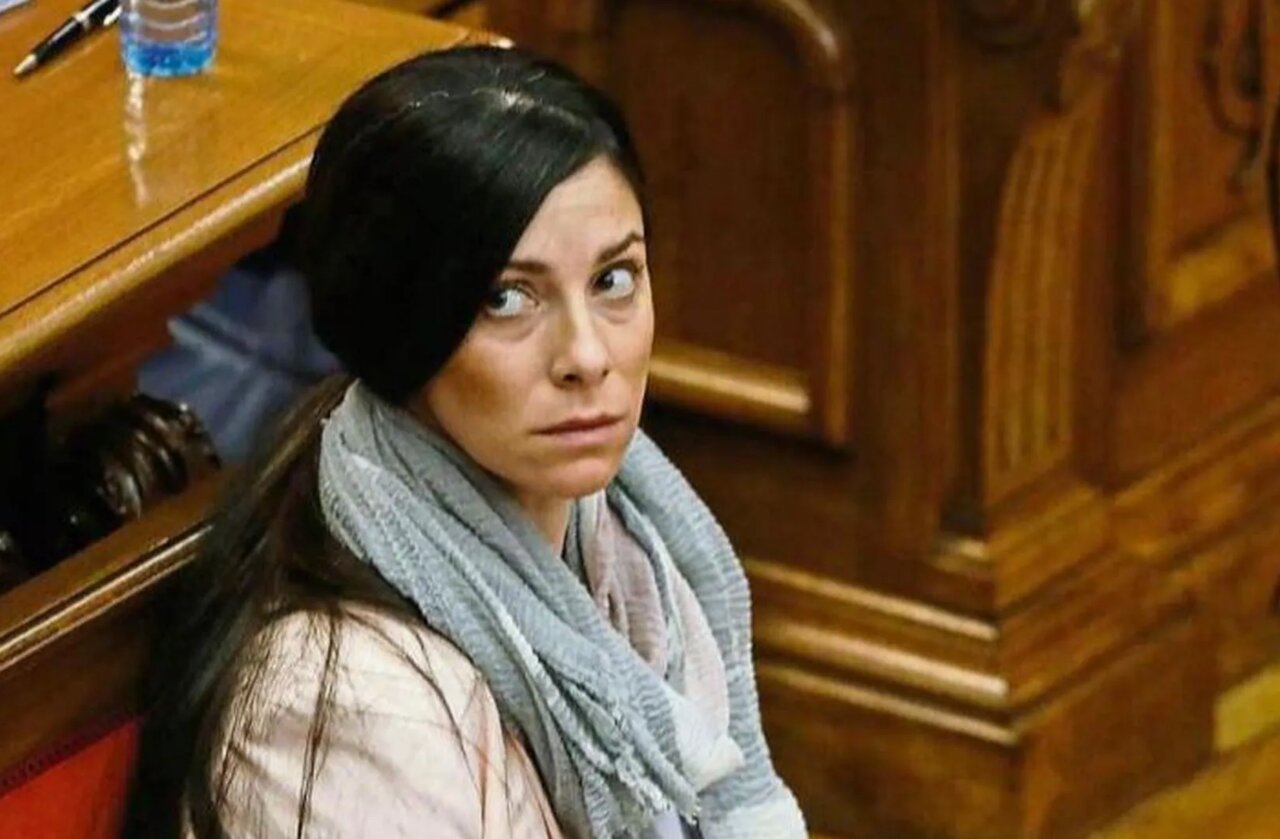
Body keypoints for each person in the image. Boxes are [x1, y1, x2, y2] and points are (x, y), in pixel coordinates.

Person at [123, 45, 806, 839]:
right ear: (404, 326)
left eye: (613, 279)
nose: (588, 356)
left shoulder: (633, 538)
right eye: (508, 299)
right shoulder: (346, 711)